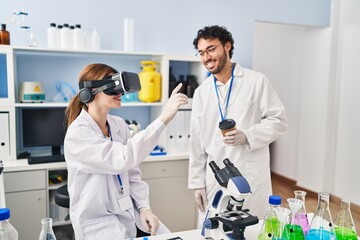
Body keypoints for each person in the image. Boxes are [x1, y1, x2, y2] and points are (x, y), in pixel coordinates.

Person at [64, 63, 188, 239]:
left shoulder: (118, 125)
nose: (120, 93)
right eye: (114, 87)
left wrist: (144, 207)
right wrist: (163, 118)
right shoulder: (78, 133)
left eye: (120, 88)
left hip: (129, 213)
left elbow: (132, 172)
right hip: (97, 223)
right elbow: (122, 159)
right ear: (90, 92)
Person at [188, 25, 288, 226]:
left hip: (249, 173)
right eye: (201, 53)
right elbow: (197, 141)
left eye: (211, 49)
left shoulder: (257, 81)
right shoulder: (202, 92)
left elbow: (279, 121)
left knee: (249, 228)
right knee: (213, 231)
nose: (206, 57)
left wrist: (248, 136)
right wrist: (197, 184)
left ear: (227, 46)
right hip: (215, 177)